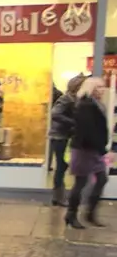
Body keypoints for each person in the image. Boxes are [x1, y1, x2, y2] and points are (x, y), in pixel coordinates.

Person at [66, 77, 109, 231]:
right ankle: (72, 214)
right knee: (81, 182)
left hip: (94, 149)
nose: (102, 90)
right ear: (91, 88)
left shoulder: (97, 104)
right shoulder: (85, 105)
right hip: (85, 150)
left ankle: (90, 213)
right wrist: (102, 149)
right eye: (98, 87)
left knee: (102, 179)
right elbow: (88, 130)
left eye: (103, 87)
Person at [49, 75, 84, 208]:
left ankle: (58, 196)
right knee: (61, 167)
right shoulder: (66, 99)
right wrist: (73, 123)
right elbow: (55, 113)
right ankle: (58, 196)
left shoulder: (73, 99)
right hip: (60, 136)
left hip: (64, 136)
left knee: (62, 166)